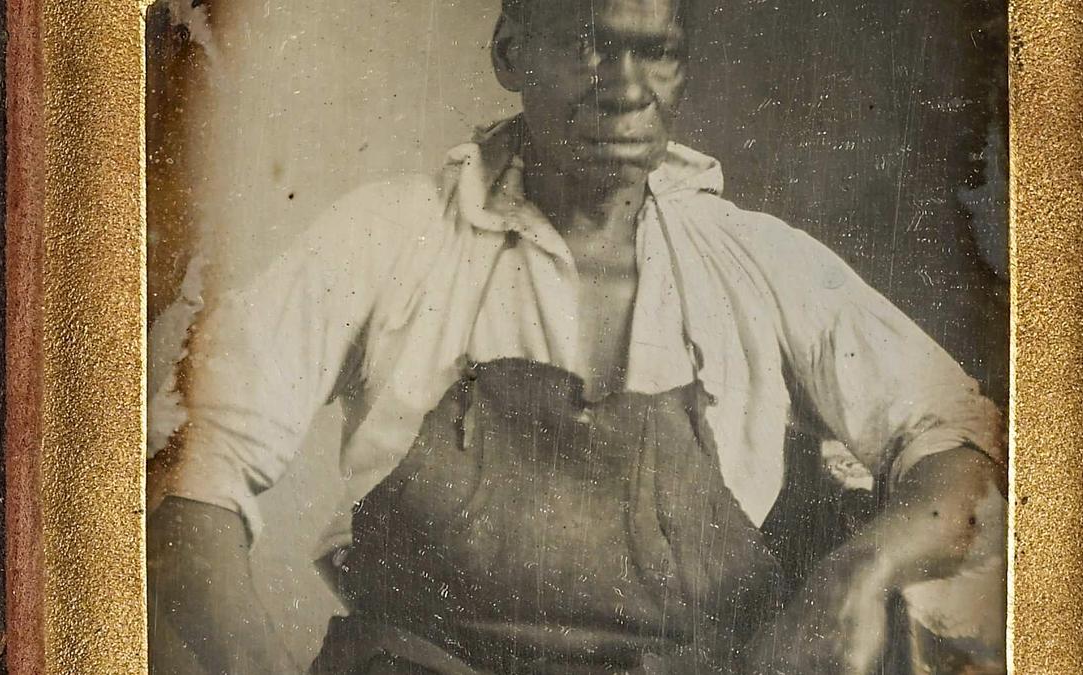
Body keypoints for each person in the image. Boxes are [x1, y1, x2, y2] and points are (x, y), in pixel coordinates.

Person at [147, 0, 1006, 672]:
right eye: (592, 43)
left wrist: (857, 571)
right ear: (511, 52)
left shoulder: (752, 261)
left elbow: (957, 435)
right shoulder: (388, 239)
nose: (626, 86)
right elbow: (187, 464)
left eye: (656, 50)